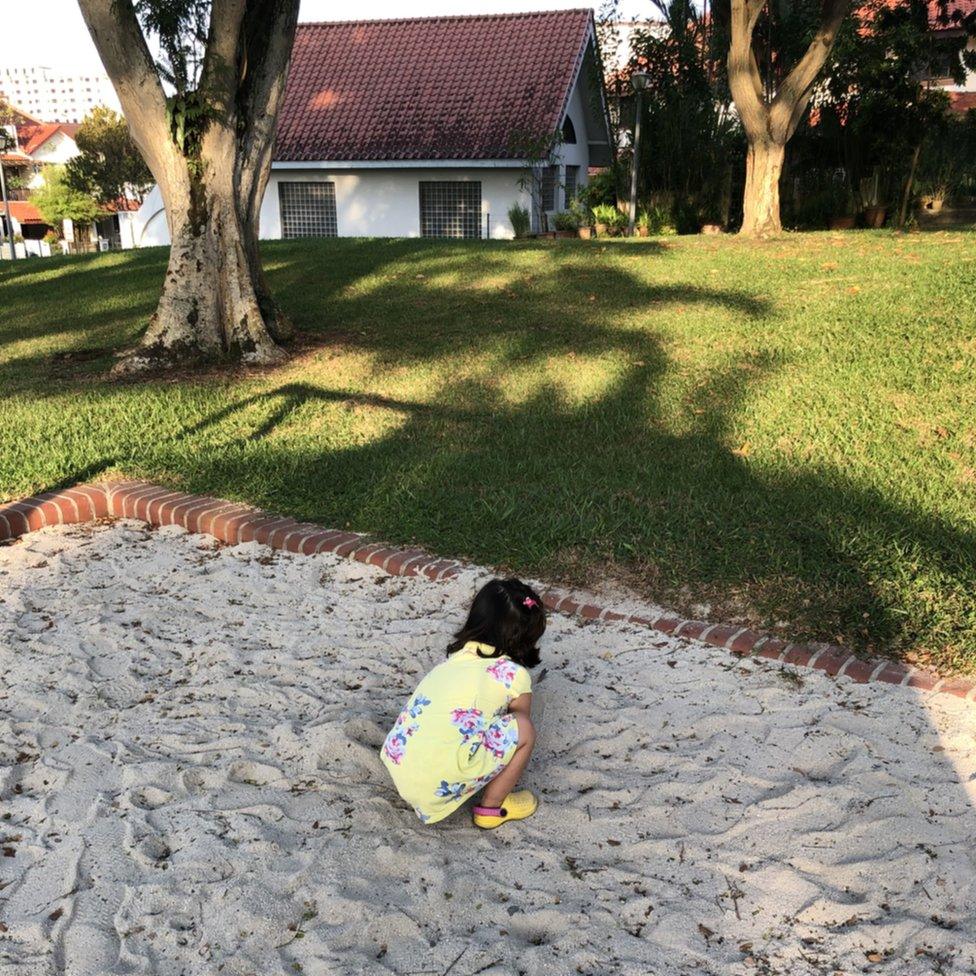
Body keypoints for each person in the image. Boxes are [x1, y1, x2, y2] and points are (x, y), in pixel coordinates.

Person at [380, 577, 544, 828]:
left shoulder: (456, 658)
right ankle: (491, 808)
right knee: (524, 729)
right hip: (438, 782)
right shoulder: (515, 675)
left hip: (400, 764)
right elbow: (519, 724)